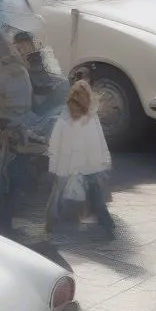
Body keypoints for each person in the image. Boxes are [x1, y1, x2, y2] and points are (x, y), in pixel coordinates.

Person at [46, 79, 115, 238]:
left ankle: (106, 223)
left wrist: (103, 160)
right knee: (58, 193)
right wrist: (53, 165)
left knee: (95, 194)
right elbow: (55, 144)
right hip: (67, 164)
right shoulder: (64, 119)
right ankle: (51, 223)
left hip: (89, 164)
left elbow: (99, 141)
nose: (75, 114)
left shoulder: (91, 118)